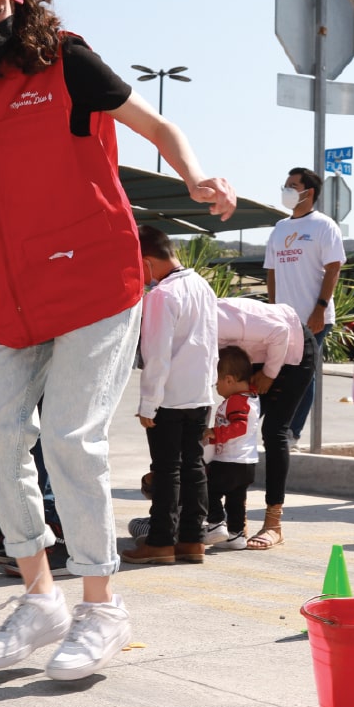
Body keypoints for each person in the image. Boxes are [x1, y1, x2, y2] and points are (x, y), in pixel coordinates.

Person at [0, 0, 236, 680]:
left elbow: (155, 125)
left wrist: (198, 176)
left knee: (71, 439)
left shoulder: (63, 58)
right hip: (12, 291)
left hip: (94, 278)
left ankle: (101, 606)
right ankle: (40, 596)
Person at [121, 225, 217, 566]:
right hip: (200, 393)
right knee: (193, 468)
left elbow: (156, 355)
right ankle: (193, 540)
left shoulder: (162, 295)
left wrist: (148, 402)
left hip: (169, 396)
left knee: (166, 469)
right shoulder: (202, 286)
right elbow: (210, 343)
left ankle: (161, 542)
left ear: (146, 262)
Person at [214, 296, 313, 550]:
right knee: (236, 426)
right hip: (259, 356)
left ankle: (273, 524)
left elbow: (280, 331)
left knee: (273, 432)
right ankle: (237, 525)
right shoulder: (192, 329)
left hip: (294, 351)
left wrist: (270, 373)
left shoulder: (217, 319)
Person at [264, 167, 345, 448]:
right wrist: (273, 309)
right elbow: (271, 271)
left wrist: (320, 308)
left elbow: (334, 267)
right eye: (285, 184)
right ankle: (274, 428)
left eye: (292, 185)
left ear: (308, 192)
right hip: (283, 318)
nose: (286, 190)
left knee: (303, 374)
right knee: (278, 373)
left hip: (314, 317)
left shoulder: (324, 226)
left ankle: (292, 433)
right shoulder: (280, 228)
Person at [202, 346, 261, 550]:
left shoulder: (236, 401)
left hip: (230, 461)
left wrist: (215, 434)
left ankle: (216, 523)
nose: (215, 387)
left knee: (208, 489)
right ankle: (236, 535)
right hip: (247, 462)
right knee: (236, 500)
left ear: (229, 380)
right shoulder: (251, 399)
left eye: (216, 381)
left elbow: (239, 427)